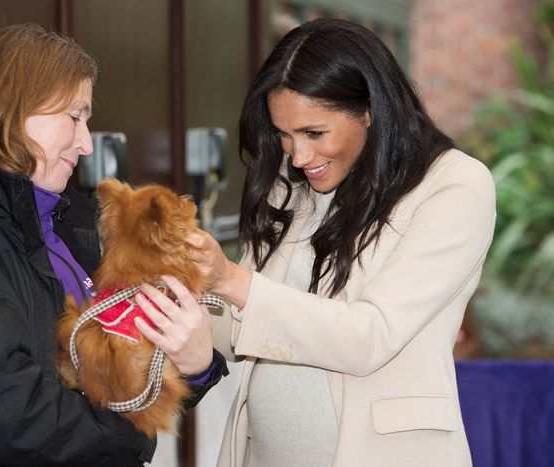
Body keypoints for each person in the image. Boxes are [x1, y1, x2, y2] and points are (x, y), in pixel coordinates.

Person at [0, 23, 226, 467]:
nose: (84, 143)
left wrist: (197, 366)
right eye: (75, 117)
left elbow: (121, 377)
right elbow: (6, 415)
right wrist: (133, 437)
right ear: (14, 108)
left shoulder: (69, 221)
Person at [187, 18, 496, 467]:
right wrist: (184, 297)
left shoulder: (455, 185)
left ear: (370, 109)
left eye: (315, 133)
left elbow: (370, 335)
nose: (299, 156)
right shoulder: (290, 181)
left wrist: (231, 281)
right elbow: (241, 329)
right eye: (284, 134)